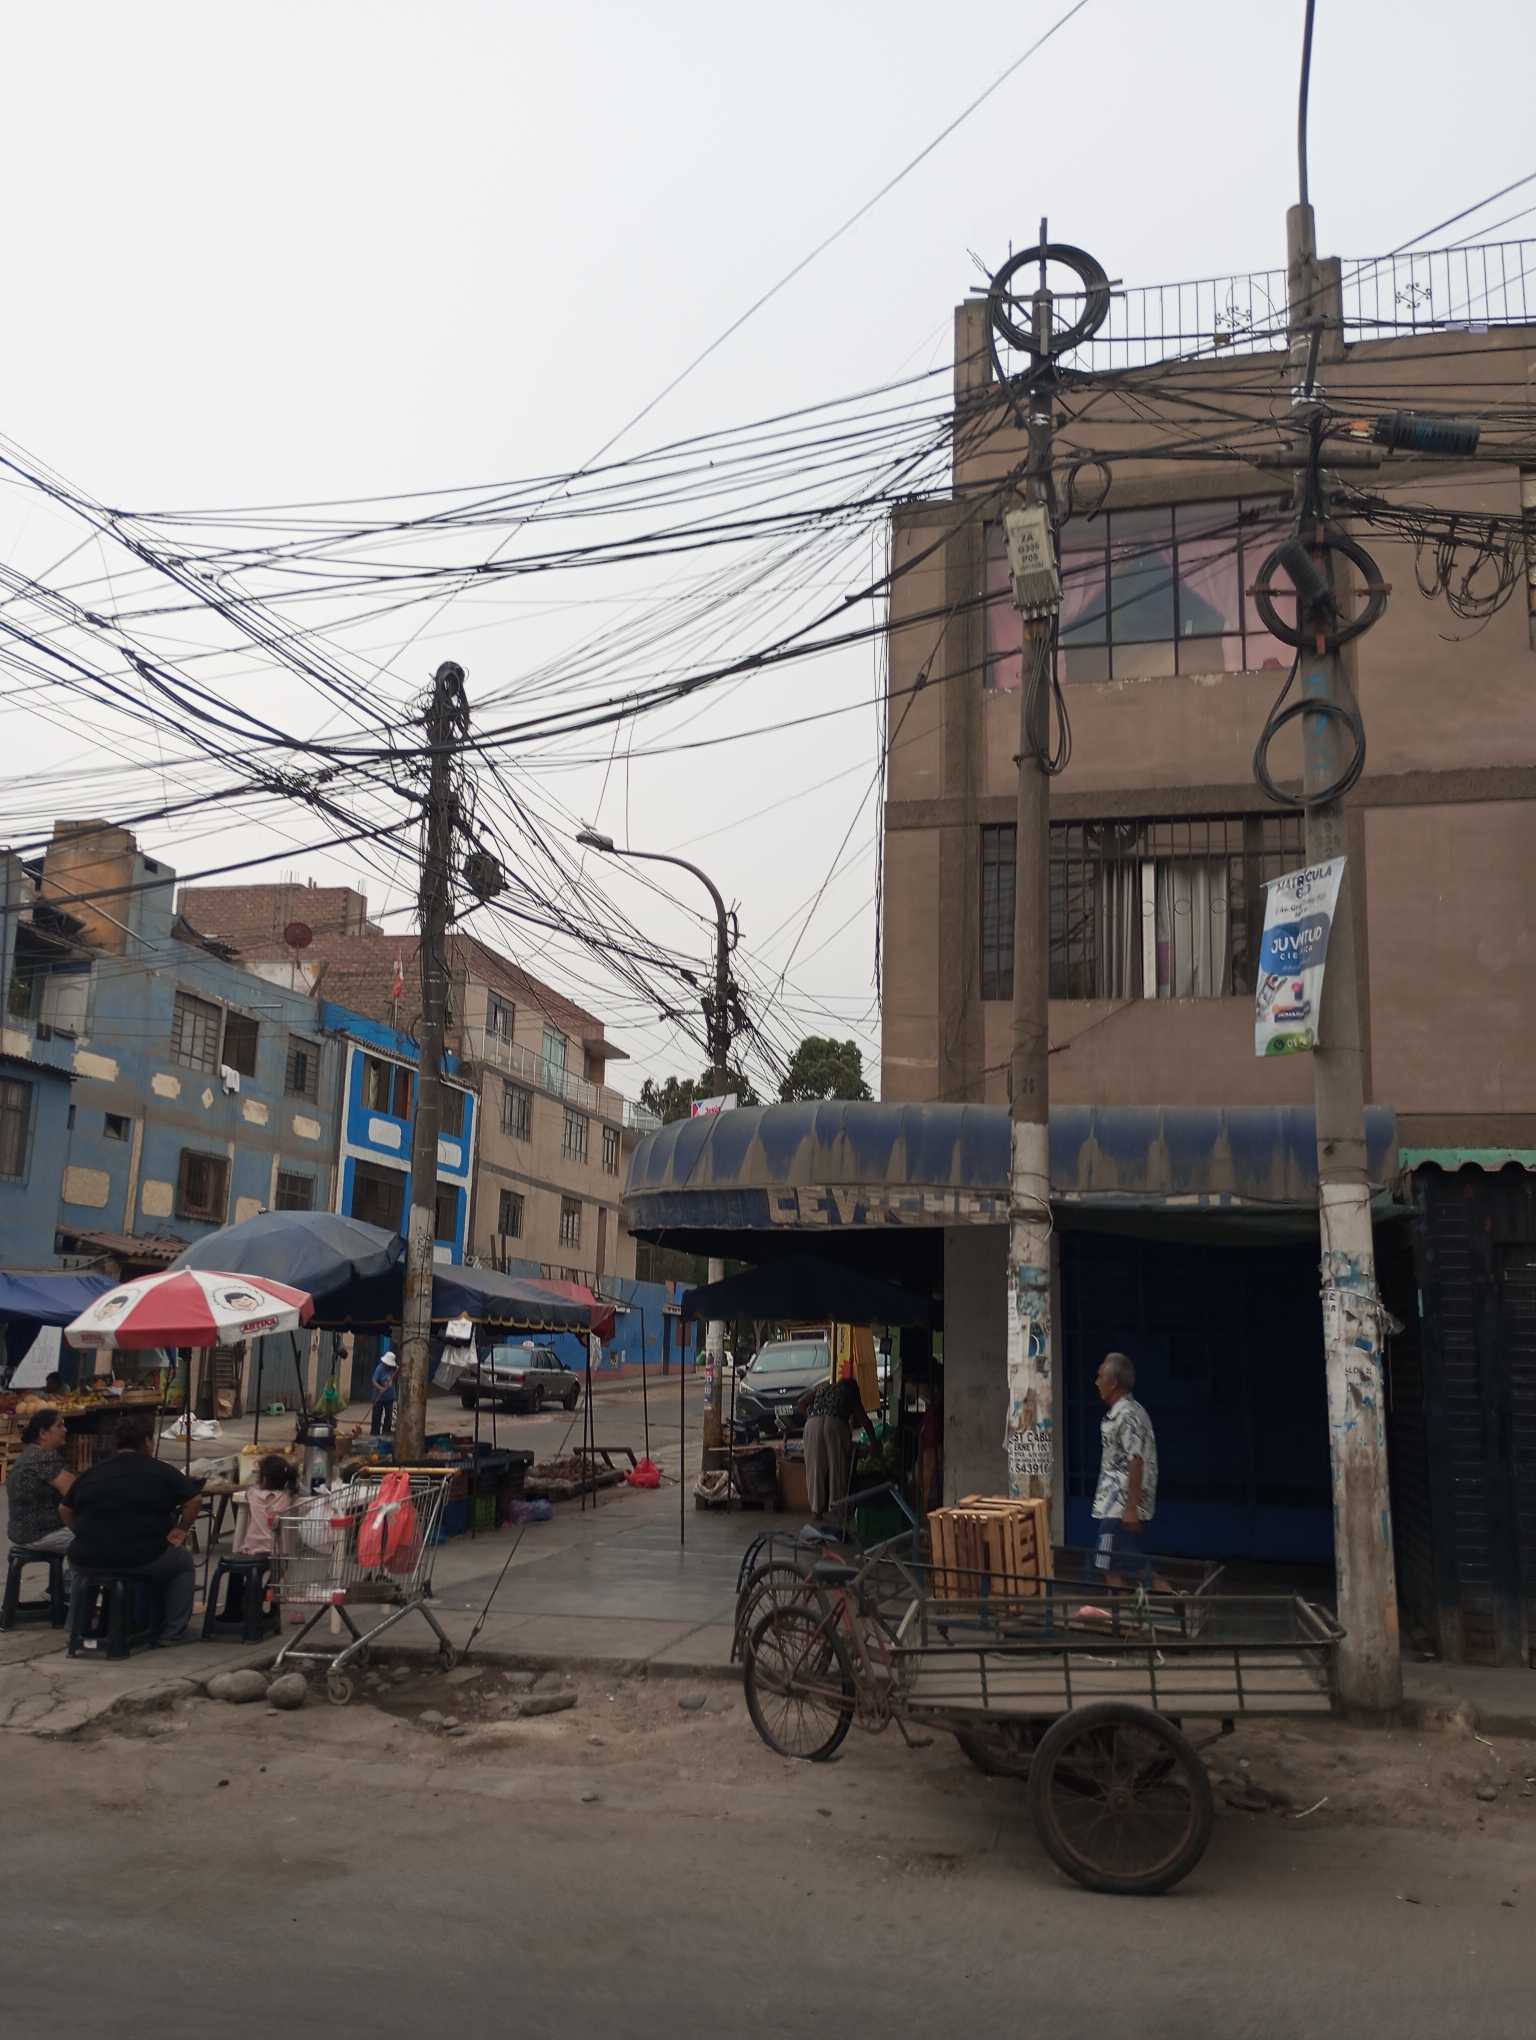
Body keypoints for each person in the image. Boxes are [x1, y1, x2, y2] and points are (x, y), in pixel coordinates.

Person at [59, 1414, 204, 1646]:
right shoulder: (160, 1470)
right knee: (183, 1563)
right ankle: (173, 1632)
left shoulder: (92, 1473)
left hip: (87, 1557)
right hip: (141, 1558)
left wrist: (83, 1533)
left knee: (81, 1572)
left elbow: (64, 1509)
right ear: (147, 1441)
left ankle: (75, 1630)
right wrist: (181, 1530)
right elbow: (194, 1500)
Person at [1092, 1351, 1159, 1588]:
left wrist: (1130, 1509)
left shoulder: (1129, 1415)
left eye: (1100, 1377)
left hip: (1119, 1506)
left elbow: (1136, 1460)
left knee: (1106, 1564)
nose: (1097, 1382)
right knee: (1132, 1563)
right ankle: (1176, 1599)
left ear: (1113, 1383)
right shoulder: (1121, 1413)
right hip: (1114, 1502)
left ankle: (1121, 1615)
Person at [797, 1373, 872, 1524]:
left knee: (815, 1469)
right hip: (835, 1424)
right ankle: (837, 1510)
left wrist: (812, 1416)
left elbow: (801, 1403)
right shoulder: (850, 1392)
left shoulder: (824, 1387)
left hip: (812, 1424)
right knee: (837, 1468)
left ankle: (816, 1512)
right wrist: (875, 1443)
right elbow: (864, 1420)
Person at [6, 1408, 75, 1552]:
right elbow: (75, 1493)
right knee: (101, 1537)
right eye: (59, 1426)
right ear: (43, 1433)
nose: (65, 1429)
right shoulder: (43, 1457)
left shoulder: (31, 1452)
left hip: (20, 1532)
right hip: (40, 1534)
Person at [234, 1454, 299, 1557]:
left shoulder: (252, 1493)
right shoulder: (286, 1497)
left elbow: (249, 1490)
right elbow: (294, 1491)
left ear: (264, 1478)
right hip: (276, 1550)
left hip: (252, 1549)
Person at [370, 1346, 398, 1437]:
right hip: (379, 1397)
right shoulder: (380, 1368)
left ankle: (386, 1433)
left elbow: (396, 1377)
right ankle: (375, 1433)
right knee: (376, 1415)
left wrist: (396, 1374)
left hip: (390, 1396)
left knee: (388, 1416)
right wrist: (380, 1388)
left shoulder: (394, 1369)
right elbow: (374, 1381)